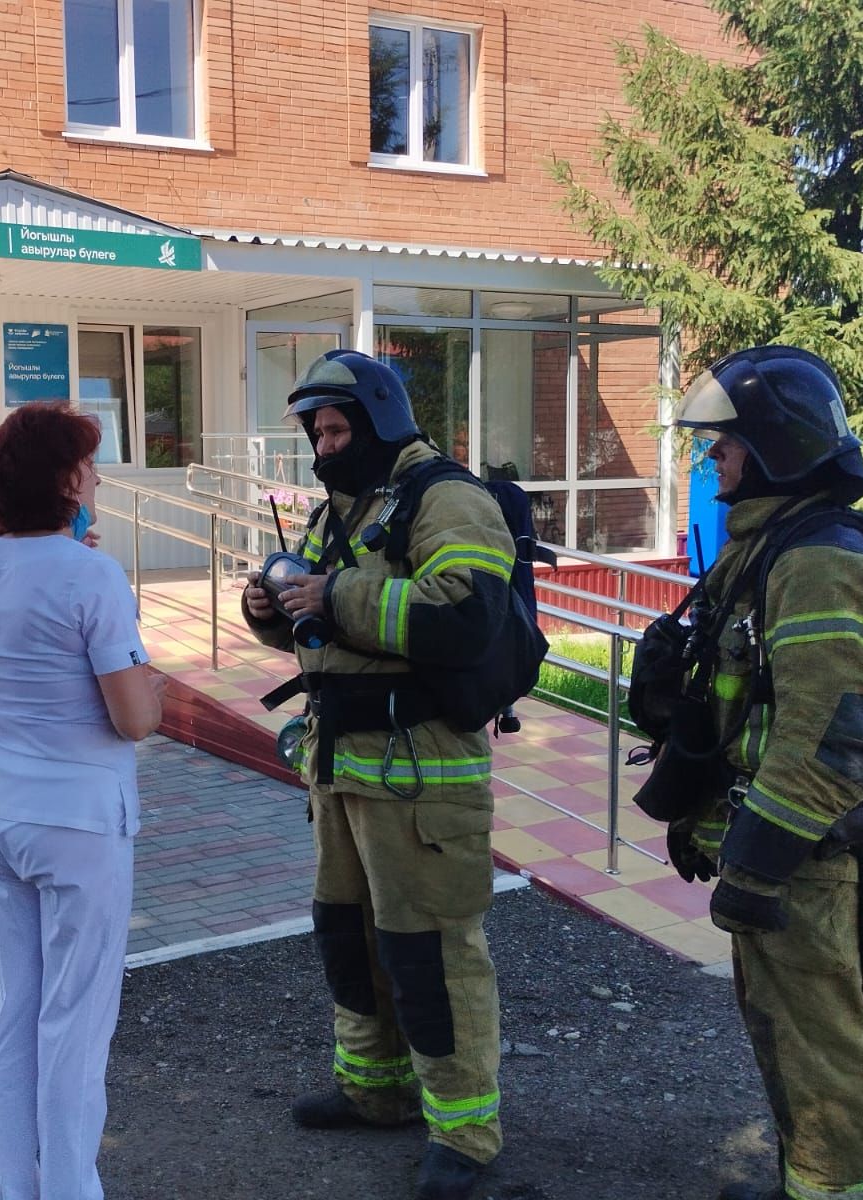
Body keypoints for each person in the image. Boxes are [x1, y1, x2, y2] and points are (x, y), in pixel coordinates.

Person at [242, 349, 515, 1200]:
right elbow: (323, 622)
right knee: (350, 941)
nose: (323, 446)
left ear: (380, 417)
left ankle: (465, 1136)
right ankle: (375, 1090)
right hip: (343, 770)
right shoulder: (348, 508)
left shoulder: (448, 498)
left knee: (430, 953)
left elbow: (463, 616)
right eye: (315, 432)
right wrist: (270, 613)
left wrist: (330, 597)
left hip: (423, 774)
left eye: (335, 428)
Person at [666, 346, 863, 1200]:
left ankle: (846, 1191)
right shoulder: (768, 542)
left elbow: (838, 734)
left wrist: (757, 859)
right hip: (779, 850)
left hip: (805, 857)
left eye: (724, 443)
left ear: (774, 443)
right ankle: (810, 1178)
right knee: (783, 1029)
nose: (713, 457)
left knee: (822, 1041)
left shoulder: (820, 558)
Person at [0, 401, 166, 1200]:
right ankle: (72, 1189)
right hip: (77, 822)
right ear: (68, 480)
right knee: (76, 1024)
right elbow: (133, 717)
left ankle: (20, 1186)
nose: (100, 477)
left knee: (22, 1006)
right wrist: (154, 687)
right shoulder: (95, 576)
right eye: (91, 465)